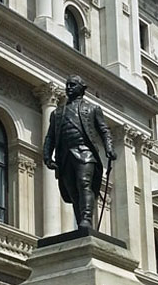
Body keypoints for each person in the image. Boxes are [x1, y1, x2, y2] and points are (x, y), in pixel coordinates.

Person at [42, 75, 116, 230]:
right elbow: (50, 136)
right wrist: (47, 156)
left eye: (73, 85)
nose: (68, 87)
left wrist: (109, 148)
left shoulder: (93, 109)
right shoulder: (57, 113)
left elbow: (104, 130)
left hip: (85, 153)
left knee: (84, 183)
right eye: (67, 84)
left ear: (82, 88)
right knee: (72, 191)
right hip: (65, 156)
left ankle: (87, 219)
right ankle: (81, 221)